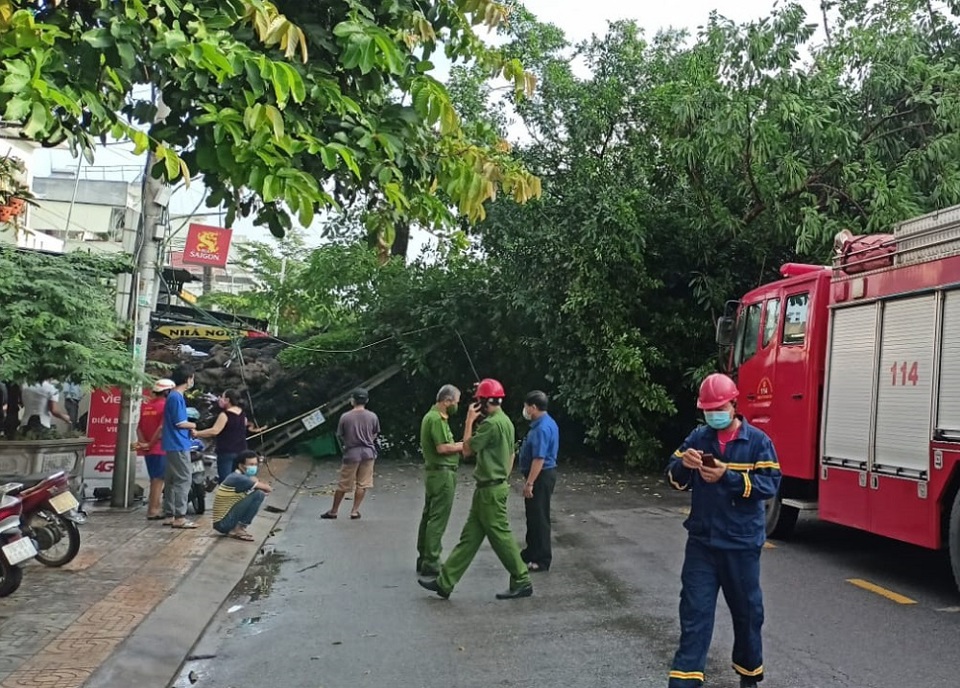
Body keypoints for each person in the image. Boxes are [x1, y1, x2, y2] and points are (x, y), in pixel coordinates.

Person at [665, 373, 782, 688]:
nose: (713, 414)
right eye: (708, 409)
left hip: (741, 545)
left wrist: (728, 476)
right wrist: (683, 465)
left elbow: (769, 486)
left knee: (747, 615)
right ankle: (684, 682)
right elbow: (674, 479)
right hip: (702, 543)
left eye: (719, 407)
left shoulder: (758, 442)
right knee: (694, 614)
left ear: (734, 404)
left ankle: (749, 675)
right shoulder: (698, 438)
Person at [418, 378, 533, 600]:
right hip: (490, 488)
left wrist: (470, 421)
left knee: (501, 537)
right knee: (469, 538)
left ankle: (521, 579)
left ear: (483, 402)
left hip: (490, 490)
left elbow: (468, 450)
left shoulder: (490, 424)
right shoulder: (506, 421)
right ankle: (445, 582)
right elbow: (511, 454)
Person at [416, 384, 464, 576]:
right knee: (438, 519)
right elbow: (442, 448)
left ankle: (424, 556)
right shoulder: (436, 419)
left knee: (428, 516)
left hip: (434, 473)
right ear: (447, 401)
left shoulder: (432, 416)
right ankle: (432, 560)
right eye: (456, 402)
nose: (456, 406)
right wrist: (463, 445)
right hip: (442, 473)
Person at [321, 388, 380, 520]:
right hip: (368, 453)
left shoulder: (345, 417)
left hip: (352, 453)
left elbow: (341, 435)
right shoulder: (372, 416)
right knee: (362, 484)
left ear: (352, 400)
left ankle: (334, 511)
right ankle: (354, 511)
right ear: (367, 400)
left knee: (343, 484)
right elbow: (375, 433)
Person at [518, 390, 560, 573]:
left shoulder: (543, 428)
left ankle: (542, 559)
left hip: (541, 476)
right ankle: (531, 551)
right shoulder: (543, 423)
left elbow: (539, 459)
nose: (525, 410)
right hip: (539, 475)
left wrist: (530, 483)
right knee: (533, 515)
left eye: (526, 406)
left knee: (540, 517)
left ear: (533, 407)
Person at [161, 365, 198, 529]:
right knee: (184, 479)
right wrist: (193, 425)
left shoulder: (173, 396)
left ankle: (169, 513)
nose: (193, 381)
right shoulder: (176, 397)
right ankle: (180, 517)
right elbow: (179, 422)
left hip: (172, 443)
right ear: (188, 379)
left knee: (171, 480)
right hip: (178, 443)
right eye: (192, 378)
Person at [194, 389, 255, 483]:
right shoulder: (242, 413)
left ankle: (226, 497)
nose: (220, 399)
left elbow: (215, 430)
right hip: (241, 450)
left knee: (226, 482)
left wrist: (197, 433)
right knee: (239, 480)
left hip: (227, 452)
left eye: (222, 397)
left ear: (227, 400)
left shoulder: (225, 415)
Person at [212, 450, 272, 541]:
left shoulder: (240, 476)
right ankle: (239, 529)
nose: (254, 467)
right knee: (258, 495)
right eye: (251, 465)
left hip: (224, 520)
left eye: (255, 464)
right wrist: (259, 484)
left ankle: (236, 528)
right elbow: (267, 488)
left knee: (257, 493)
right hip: (223, 523)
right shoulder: (238, 478)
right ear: (241, 466)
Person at [137, 379, 175, 520]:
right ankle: (153, 509)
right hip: (160, 448)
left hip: (149, 450)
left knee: (154, 478)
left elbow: (139, 428)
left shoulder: (146, 406)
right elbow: (161, 428)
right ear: (167, 391)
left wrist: (144, 444)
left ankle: (153, 508)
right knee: (158, 480)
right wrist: (151, 443)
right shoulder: (166, 406)